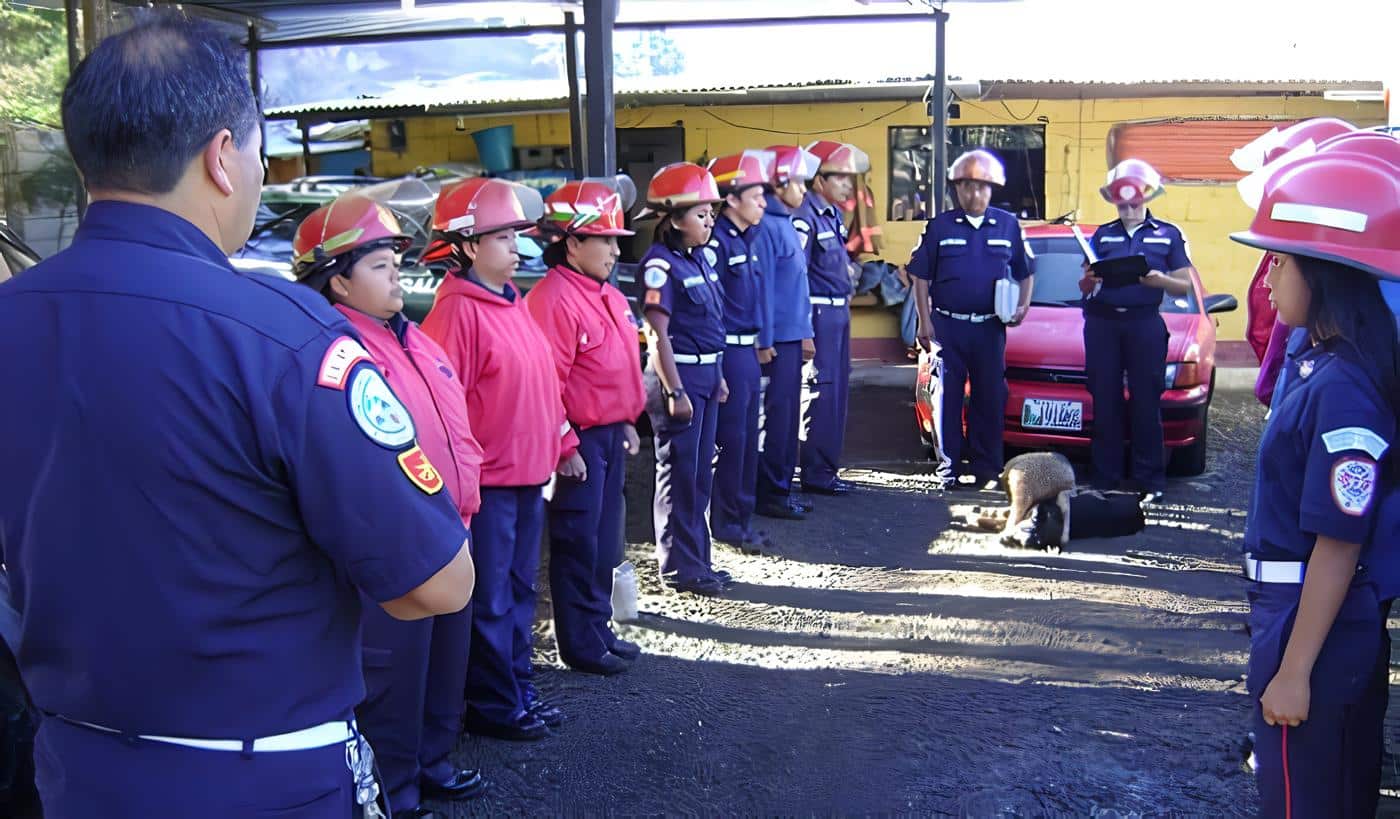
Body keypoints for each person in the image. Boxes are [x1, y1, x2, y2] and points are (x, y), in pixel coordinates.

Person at [0, 17, 474, 817]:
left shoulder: (12, 316)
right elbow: (436, 581)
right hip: (263, 778)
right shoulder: (283, 334)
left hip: (76, 770)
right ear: (223, 157)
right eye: (256, 152)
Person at [291, 193, 488, 816]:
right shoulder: (340, 352)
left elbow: (454, 423)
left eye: (395, 261)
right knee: (394, 677)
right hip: (394, 543)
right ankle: (395, 791)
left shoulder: (416, 338)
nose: (397, 273)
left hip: (447, 528)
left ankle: (433, 762)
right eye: (379, 264)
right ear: (338, 279)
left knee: (443, 665)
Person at [1230, 144, 1399, 817]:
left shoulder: (1346, 390)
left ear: (1326, 272)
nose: (1267, 278)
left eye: (1280, 259)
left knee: (1302, 803)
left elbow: (1339, 543)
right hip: (1302, 614)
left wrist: (1294, 671)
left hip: (1313, 624)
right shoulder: (1324, 366)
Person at [421, 177, 576, 742]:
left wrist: (563, 445)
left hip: (526, 480)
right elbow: (439, 409)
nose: (518, 247)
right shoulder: (456, 314)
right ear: (466, 244)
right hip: (487, 489)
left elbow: (541, 388)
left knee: (517, 593)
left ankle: (516, 688)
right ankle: (492, 705)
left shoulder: (511, 302)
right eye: (503, 236)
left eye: (516, 236)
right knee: (489, 599)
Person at [525, 178, 645, 675]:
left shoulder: (603, 293)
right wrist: (564, 444)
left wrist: (628, 421)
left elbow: (618, 368)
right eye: (606, 240)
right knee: (578, 541)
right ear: (572, 243)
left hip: (607, 434)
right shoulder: (554, 299)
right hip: (578, 440)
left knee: (603, 540)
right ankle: (578, 643)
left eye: (617, 240)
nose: (615, 250)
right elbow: (545, 384)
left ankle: (599, 628)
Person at [908, 148, 1033, 490]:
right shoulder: (939, 227)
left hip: (990, 329)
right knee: (946, 399)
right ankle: (948, 470)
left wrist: (1023, 306)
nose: (973, 194)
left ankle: (987, 470)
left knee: (989, 399)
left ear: (991, 189)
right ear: (957, 189)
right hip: (948, 327)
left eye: (980, 187)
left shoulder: (1007, 225)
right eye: (965, 186)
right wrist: (923, 321)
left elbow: (1026, 270)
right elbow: (920, 276)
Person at [637, 162, 731, 596]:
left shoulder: (700, 259)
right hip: (679, 376)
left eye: (711, 213)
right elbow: (657, 335)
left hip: (706, 373)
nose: (709, 220)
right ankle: (678, 566)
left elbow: (710, 323)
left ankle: (699, 561)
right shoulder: (660, 265)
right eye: (700, 214)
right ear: (675, 219)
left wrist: (719, 377)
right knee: (679, 473)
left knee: (700, 475)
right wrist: (675, 390)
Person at [1074, 158, 1191, 503]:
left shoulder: (1168, 234)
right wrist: (1088, 279)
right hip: (1104, 323)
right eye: (1121, 204)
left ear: (1146, 198)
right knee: (1106, 401)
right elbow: (1084, 283)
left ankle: (1149, 479)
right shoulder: (1103, 233)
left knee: (1145, 402)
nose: (1128, 209)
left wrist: (1161, 280)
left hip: (1144, 324)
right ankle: (1105, 477)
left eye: (1134, 203)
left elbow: (1183, 285)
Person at [705, 150, 777, 553]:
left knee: (749, 440)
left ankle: (741, 518)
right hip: (728, 353)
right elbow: (711, 308)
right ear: (731, 199)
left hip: (746, 351)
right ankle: (727, 523)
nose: (764, 203)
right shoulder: (717, 241)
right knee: (731, 442)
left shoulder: (747, 237)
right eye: (756, 195)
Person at [794, 140, 869, 496]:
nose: (846, 184)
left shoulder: (833, 215)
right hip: (818, 312)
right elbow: (796, 275)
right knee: (820, 391)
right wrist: (804, 327)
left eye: (847, 178)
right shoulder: (804, 216)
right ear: (818, 179)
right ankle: (815, 473)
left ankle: (827, 468)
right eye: (838, 177)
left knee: (837, 390)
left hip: (838, 310)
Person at [752, 145, 821, 521]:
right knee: (776, 420)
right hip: (776, 341)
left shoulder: (781, 224)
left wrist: (805, 331)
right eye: (797, 182)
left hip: (790, 337)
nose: (804, 190)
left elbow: (796, 288)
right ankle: (772, 494)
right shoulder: (768, 227)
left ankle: (781, 488)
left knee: (785, 418)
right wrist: (764, 340)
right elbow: (761, 290)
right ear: (778, 185)